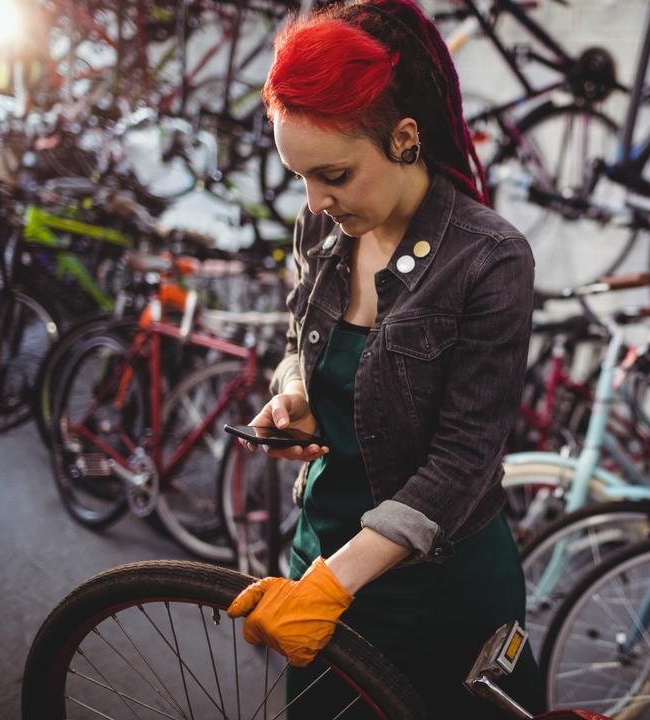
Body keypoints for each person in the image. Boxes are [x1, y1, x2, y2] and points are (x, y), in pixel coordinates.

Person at [225, 1, 545, 716]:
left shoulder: (489, 259)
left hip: (436, 590)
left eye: (333, 174)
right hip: (322, 561)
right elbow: (296, 347)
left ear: (404, 139)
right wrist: (294, 394)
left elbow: (464, 460)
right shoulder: (321, 228)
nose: (316, 201)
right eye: (301, 178)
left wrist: (335, 584)